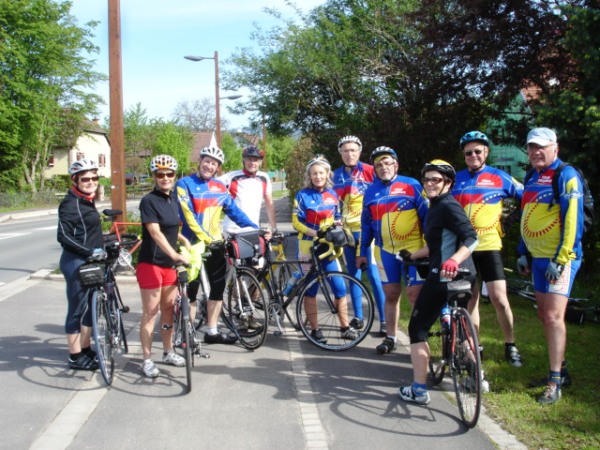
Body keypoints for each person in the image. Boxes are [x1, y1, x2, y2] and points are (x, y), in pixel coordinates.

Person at [399, 160, 479, 405]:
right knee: (461, 326)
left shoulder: (447, 205)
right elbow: (435, 245)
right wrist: (411, 256)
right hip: (465, 276)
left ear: (448, 183)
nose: (430, 183)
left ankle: (419, 390)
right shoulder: (436, 206)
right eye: (427, 179)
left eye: (436, 180)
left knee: (417, 329)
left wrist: (453, 260)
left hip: (446, 275)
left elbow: (472, 237)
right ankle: (477, 376)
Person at [517, 127, 584, 405]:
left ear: (555, 147)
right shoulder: (532, 176)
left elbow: (573, 221)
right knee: (543, 314)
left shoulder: (566, 175)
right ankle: (562, 370)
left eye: (541, 147)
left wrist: (561, 257)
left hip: (560, 259)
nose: (536, 152)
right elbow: (525, 215)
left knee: (554, 316)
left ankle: (554, 381)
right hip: (537, 258)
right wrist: (522, 251)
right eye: (532, 147)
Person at [453, 131, 524, 367]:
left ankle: (510, 345)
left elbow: (528, 197)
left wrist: (511, 219)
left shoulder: (500, 177)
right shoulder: (456, 179)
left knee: (500, 298)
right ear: (464, 155)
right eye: (468, 153)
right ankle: (474, 344)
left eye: (477, 151)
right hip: (465, 248)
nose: (473, 155)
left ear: (486, 153)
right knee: (470, 298)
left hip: (490, 245)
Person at [176, 146, 259, 345]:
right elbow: (188, 216)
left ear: (218, 167)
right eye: (206, 160)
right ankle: (185, 333)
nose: (209, 165)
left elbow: (234, 211)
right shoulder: (184, 183)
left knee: (217, 289)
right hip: (192, 245)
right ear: (200, 161)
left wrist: (255, 228)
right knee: (191, 291)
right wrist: (205, 238)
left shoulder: (220, 188)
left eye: (214, 163)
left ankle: (212, 331)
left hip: (215, 244)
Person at [357, 146, 428, 354]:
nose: (383, 167)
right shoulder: (370, 191)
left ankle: (418, 338)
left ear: (395, 164)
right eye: (378, 165)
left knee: (415, 294)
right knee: (391, 294)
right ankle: (391, 337)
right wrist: (362, 252)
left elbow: (426, 217)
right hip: (385, 251)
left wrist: (430, 246)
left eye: (387, 163)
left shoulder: (412, 185)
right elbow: (366, 225)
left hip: (413, 249)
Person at [292, 155, 357, 343]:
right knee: (310, 289)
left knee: (339, 287)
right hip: (307, 246)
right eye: (314, 173)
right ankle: (315, 330)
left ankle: (345, 327)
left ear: (327, 174)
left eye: (321, 173)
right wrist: (314, 232)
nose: (318, 176)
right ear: (309, 176)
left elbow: (337, 216)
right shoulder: (302, 195)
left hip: (328, 248)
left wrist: (338, 224)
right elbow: (296, 221)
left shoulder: (333, 195)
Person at [136, 155, 191, 378]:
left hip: (169, 265)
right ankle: (147, 359)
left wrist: (182, 239)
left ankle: (168, 351)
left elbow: (167, 228)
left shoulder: (172, 199)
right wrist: (175, 254)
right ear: (154, 177)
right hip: (151, 264)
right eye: (160, 174)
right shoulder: (148, 201)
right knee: (151, 312)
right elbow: (155, 232)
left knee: (169, 310)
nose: (165, 178)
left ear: (175, 176)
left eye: (169, 174)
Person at [332, 135, 386, 336]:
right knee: (352, 275)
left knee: (373, 275)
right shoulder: (335, 175)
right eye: (345, 150)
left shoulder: (371, 171)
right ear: (340, 153)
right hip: (345, 232)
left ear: (359, 151)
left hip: (367, 231)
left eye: (353, 150)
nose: (349, 154)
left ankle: (383, 320)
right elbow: (331, 202)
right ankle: (359, 318)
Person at [57, 159, 104, 371]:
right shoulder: (70, 203)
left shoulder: (86, 200)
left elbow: (87, 231)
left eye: (94, 178)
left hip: (91, 260)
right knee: (77, 309)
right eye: (85, 179)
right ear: (75, 180)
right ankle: (75, 357)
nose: (91, 181)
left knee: (91, 308)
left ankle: (85, 348)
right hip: (75, 262)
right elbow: (64, 235)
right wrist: (88, 251)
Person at [219, 145, 277, 234]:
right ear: (244, 161)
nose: (252, 163)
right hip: (232, 229)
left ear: (260, 162)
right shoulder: (231, 176)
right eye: (249, 159)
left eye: (256, 160)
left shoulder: (264, 178)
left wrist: (274, 227)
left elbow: (269, 204)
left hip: (252, 228)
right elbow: (210, 184)